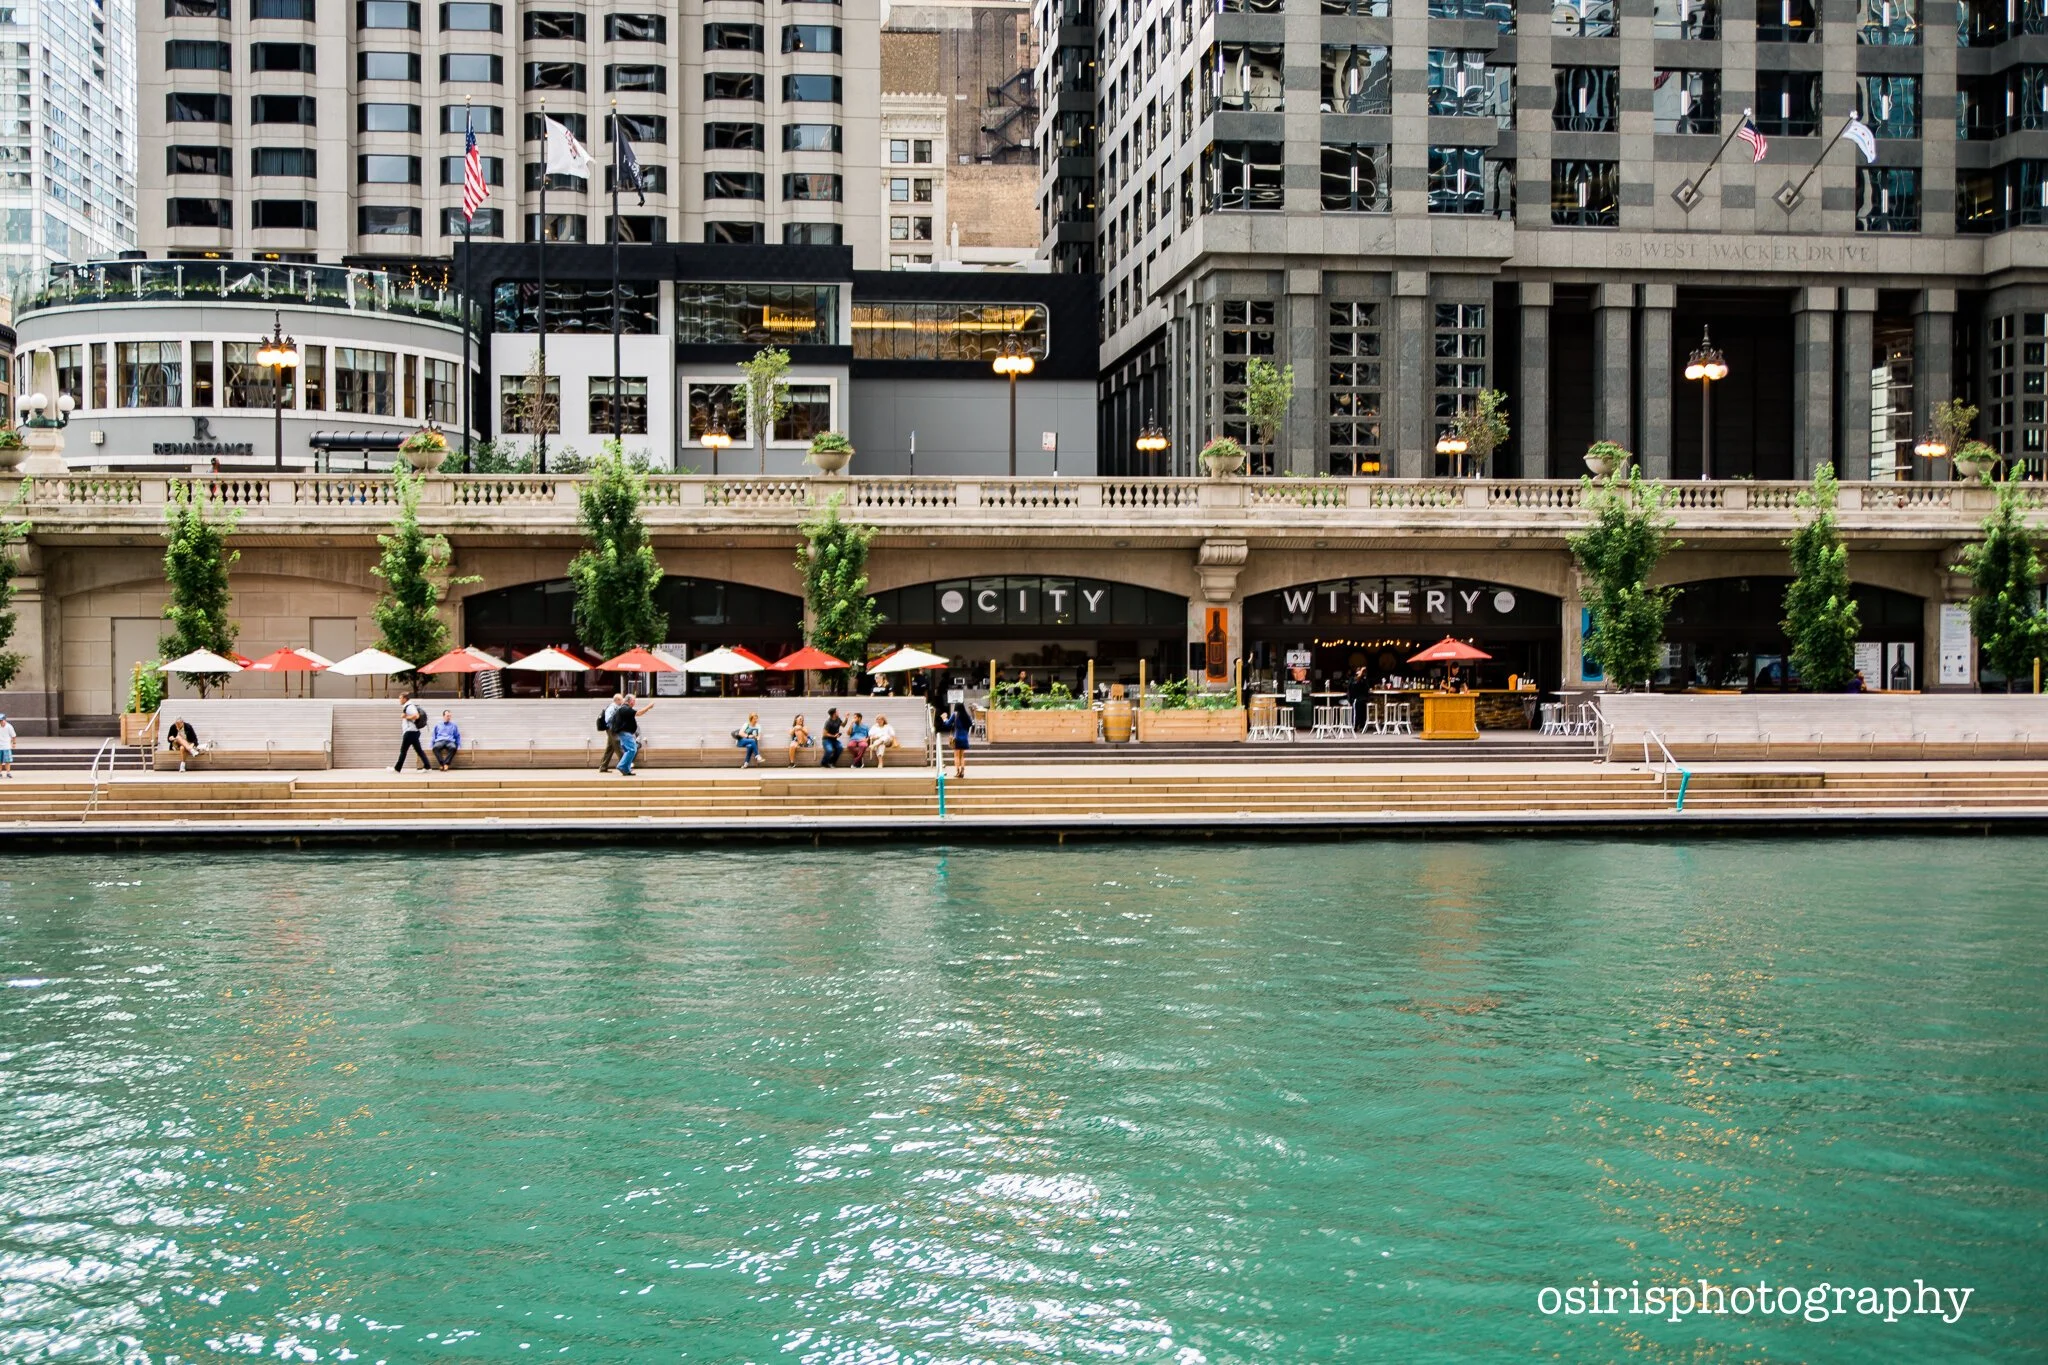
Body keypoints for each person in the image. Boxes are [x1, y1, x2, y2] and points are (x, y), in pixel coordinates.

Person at [610, 690, 652, 776]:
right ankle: (622, 766)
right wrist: (649, 707)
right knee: (632, 749)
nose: (634, 703)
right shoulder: (625, 708)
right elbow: (639, 713)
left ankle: (627, 769)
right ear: (629, 701)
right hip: (625, 733)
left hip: (624, 733)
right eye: (634, 701)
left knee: (628, 751)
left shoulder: (623, 709)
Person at [395, 692, 430, 772]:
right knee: (419, 750)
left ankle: (397, 768)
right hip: (413, 732)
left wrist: (405, 716)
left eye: (400, 698)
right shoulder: (408, 706)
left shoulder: (409, 706)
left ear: (404, 699)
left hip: (410, 732)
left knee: (403, 751)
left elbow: (417, 716)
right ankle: (427, 766)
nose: (399, 700)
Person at [597, 691, 624, 772]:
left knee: (610, 748)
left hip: (612, 729)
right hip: (612, 729)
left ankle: (603, 766)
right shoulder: (612, 707)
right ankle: (624, 766)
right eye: (621, 700)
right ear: (617, 700)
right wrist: (615, 727)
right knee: (618, 747)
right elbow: (608, 719)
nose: (622, 701)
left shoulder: (616, 707)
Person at [948, 700, 972, 779]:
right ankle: (962, 771)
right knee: (962, 756)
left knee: (956, 756)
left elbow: (947, 724)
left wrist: (944, 719)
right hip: (964, 738)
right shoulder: (966, 715)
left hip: (957, 738)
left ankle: (958, 772)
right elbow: (970, 724)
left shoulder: (955, 715)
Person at [0, 712, 13, 778]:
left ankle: (8, 773)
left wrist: (14, 743)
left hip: (6, 746)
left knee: (7, 761)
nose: (1, 722)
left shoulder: (9, 726)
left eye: (2, 720)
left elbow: (13, 735)